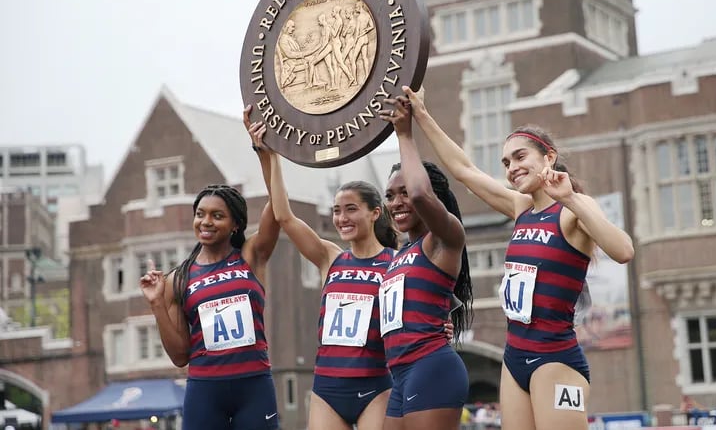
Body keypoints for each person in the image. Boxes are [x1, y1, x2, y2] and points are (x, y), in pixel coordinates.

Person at [399, 85, 634, 430]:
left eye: (521, 157)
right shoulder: (520, 207)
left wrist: (570, 199)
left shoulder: (572, 212)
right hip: (514, 359)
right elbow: (464, 170)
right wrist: (421, 115)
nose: (512, 168)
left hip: (555, 359)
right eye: (506, 162)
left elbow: (624, 250)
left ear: (548, 157)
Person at [246, 113, 397, 430]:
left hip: (376, 385)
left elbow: (429, 304)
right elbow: (285, 216)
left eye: (351, 209)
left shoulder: (396, 262)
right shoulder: (331, 256)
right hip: (327, 388)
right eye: (337, 210)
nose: (342, 218)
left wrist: (444, 327)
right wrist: (268, 155)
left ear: (375, 213)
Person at [139, 123, 281, 430]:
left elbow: (278, 207)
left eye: (217, 215)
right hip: (205, 390)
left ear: (235, 225)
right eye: (200, 214)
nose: (206, 221)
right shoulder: (179, 278)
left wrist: (265, 155)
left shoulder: (251, 255)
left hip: (253, 386)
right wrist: (156, 305)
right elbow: (179, 356)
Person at [378, 94, 474, 430]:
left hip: (431, 368)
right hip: (401, 374)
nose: (397, 202)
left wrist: (404, 135)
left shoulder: (445, 238)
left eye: (403, 192)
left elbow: (421, 194)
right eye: (390, 195)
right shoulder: (401, 254)